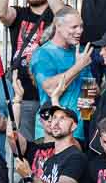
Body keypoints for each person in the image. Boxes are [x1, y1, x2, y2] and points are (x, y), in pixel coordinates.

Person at [0, 0, 65, 126]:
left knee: (47, 144)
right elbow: (1, 13)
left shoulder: (55, 14)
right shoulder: (20, 13)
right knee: (21, 144)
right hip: (22, 93)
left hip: (50, 93)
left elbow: (63, 13)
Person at [29, 8, 93, 140]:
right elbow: (51, 88)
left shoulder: (81, 52)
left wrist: (87, 107)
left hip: (77, 132)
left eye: (81, 26)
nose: (79, 31)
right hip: (50, 132)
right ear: (58, 26)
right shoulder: (43, 54)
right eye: (74, 27)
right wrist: (79, 66)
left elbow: (89, 87)